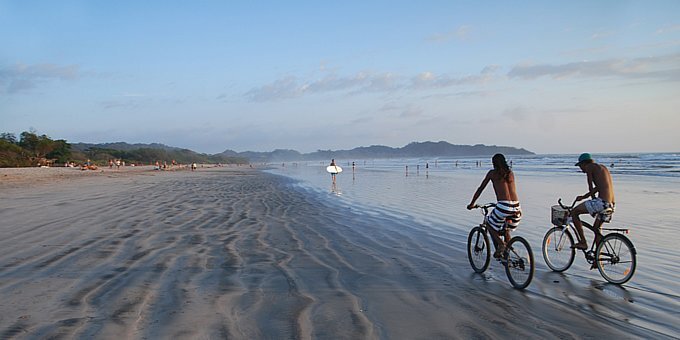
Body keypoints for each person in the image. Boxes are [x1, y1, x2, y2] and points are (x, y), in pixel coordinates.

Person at [467, 154, 522, 258]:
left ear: (494, 163)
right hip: (517, 208)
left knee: (489, 224)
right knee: (506, 229)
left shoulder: (492, 173)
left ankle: (501, 245)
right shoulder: (510, 173)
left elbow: (480, 188)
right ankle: (509, 253)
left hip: (503, 207)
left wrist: (472, 204)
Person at [570, 153, 615, 251]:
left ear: (584, 163)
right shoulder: (603, 168)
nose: (581, 169)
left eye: (580, 166)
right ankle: (598, 257)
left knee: (574, 212)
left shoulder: (590, 167)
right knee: (596, 229)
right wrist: (584, 197)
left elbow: (590, 185)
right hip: (610, 204)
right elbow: (599, 187)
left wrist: (593, 198)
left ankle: (583, 242)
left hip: (601, 203)